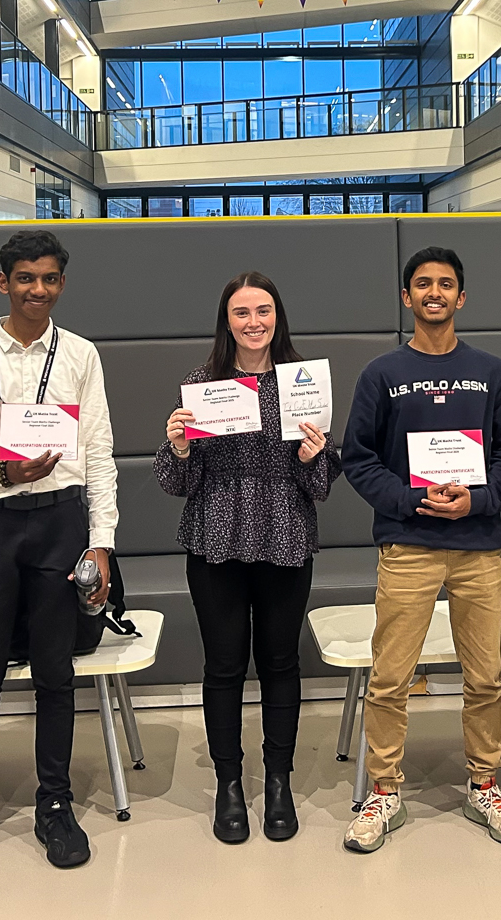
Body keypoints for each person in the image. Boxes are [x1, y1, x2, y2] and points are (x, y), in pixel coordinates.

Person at [0, 229, 118, 871]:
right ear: (3, 282)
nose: (39, 290)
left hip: (61, 523)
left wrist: (102, 543)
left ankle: (55, 804)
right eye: (26, 278)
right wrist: (2, 472)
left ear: (62, 283)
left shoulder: (81, 355)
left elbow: (99, 454)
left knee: (55, 673)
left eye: (50, 279)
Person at [340, 247, 501, 853]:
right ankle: (383, 791)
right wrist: (408, 500)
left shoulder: (491, 371)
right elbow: (358, 458)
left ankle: (485, 784)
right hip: (408, 544)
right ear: (407, 297)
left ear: (461, 297)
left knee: (487, 678)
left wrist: (477, 500)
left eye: (446, 284)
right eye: (422, 284)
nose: (434, 293)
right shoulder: (381, 373)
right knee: (390, 677)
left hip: (479, 546)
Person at [154, 272, 342, 844]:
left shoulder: (303, 381)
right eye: (242, 312)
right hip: (216, 538)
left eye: (263, 311)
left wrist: (312, 457)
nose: (254, 322)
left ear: (277, 317)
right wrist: (178, 447)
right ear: (227, 321)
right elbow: (175, 483)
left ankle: (279, 781)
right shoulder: (201, 383)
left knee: (281, 663)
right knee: (224, 666)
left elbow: (323, 483)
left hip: (285, 535)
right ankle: (229, 783)